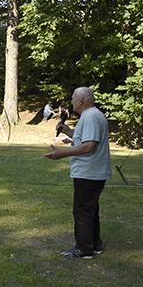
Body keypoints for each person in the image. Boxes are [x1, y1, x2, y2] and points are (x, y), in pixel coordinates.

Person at [44, 87, 112, 259]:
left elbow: (89, 146)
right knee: (90, 210)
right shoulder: (93, 115)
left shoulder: (90, 117)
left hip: (89, 172)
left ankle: (83, 249)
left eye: (73, 99)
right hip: (92, 171)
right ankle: (94, 245)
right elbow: (84, 138)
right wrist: (68, 131)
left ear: (80, 101)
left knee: (82, 211)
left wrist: (62, 153)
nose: (72, 102)